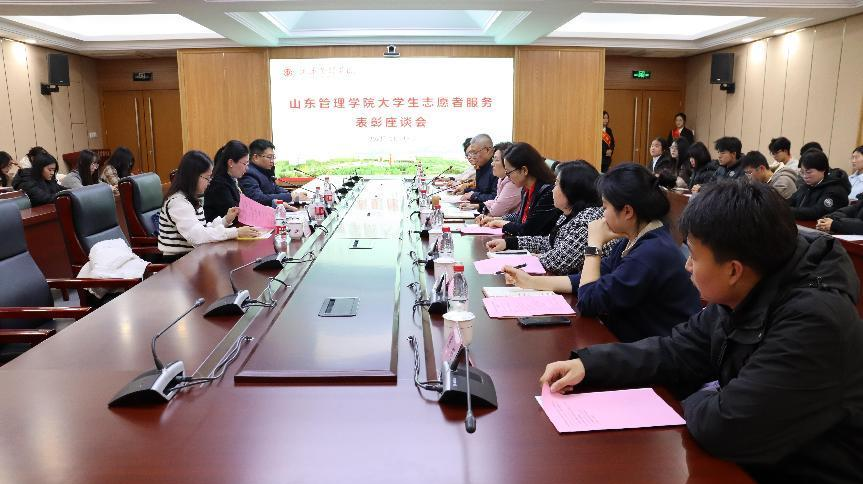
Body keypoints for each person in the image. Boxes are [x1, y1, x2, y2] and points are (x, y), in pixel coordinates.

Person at [539, 180, 863, 483]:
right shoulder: (748, 287)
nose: (687, 266)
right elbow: (677, 349)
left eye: (693, 255)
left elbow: (726, 427)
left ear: (733, 270)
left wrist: (697, 396)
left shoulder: (815, 322)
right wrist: (591, 364)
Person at [503, 163, 701, 342]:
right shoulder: (633, 239)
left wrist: (594, 244)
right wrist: (531, 281)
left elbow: (589, 300)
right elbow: (584, 281)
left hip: (655, 355)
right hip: (632, 342)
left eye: (605, 207)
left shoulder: (650, 253)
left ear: (627, 211)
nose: (602, 214)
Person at [485, 161, 604, 275]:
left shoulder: (587, 220)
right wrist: (508, 243)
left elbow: (558, 262)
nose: (553, 189)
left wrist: (533, 257)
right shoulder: (569, 213)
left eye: (557, 184)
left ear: (571, 190)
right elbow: (548, 242)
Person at [157, 150, 259, 255]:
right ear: (193, 176)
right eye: (207, 177)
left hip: (195, 255)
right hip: (179, 260)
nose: (209, 182)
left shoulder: (191, 198)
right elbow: (197, 236)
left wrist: (225, 220)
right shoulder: (178, 202)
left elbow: (203, 230)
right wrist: (236, 232)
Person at [479, 142, 559, 236]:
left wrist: (501, 223)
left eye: (509, 172)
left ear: (524, 170)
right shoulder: (526, 189)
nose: (508, 177)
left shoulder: (547, 193)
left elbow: (527, 230)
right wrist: (495, 219)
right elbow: (520, 216)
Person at [461, 142, 520, 216]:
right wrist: (477, 206)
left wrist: (474, 198)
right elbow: (496, 200)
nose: (492, 163)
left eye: (496, 160)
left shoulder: (512, 182)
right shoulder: (501, 178)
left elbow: (496, 211)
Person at [204, 140, 257, 222]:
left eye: (248, 164)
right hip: (219, 228)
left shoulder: (234, 180)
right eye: (245, 164)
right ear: (231, 163)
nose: (247, 168)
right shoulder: (218, 184)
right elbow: (235, 214)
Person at [789, 149, 850, 220]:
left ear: (823, 170)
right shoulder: (806, 186)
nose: (805, 176)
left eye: (808, 172)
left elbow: (816, 213)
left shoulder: (835, 190)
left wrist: (787, 210)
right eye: (802, 172)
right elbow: (790, 201)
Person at [238, 139, 300, 207]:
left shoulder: (263, 170)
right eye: (269, 157)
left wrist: (291, 194)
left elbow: (274, 188)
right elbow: (257, 198)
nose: (272, 161)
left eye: (273, 157)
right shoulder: (249, 173)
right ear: (255, 157)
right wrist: (289, 197)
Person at [459, 134, 497, 205]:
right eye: (470, 153)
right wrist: (465, 190)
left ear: (487, 150)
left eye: (475, 153)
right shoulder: (481, 166)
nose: (472, 157)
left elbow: (495, 198)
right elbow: (480, 190)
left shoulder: (497, 167)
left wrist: (473, 196)